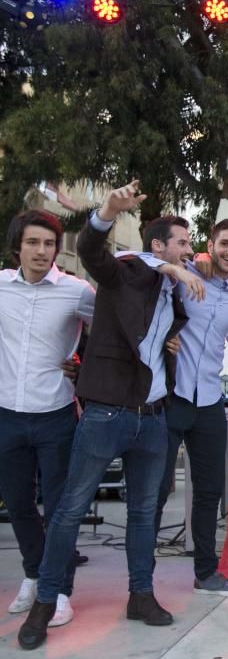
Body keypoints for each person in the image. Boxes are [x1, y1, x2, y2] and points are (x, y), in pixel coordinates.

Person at [18, 181, 200, 650]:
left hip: (154, 418)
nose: (189, 248)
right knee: (69, 510)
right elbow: (95, 250)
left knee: (144, 514)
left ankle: (141, 594)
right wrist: (106, 212)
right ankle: (47, 598)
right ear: (158, 246)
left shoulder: (174, 292)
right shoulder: (127, 273)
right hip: (105, 414)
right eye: (182, 241)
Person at [142, 219, 228, 598]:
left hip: (209, 401)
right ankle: (142, 583)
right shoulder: (179, 274)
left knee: (209, 492)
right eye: (224, 244)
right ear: (211, 244)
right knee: (155, 491)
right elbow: (134, 260)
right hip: (170, 398)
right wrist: (181, 264)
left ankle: (206, 574)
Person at [1, 210, 95, 628]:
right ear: (17, 247)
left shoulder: (76, 291)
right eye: (33, 243)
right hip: (6, 414)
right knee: (20, 505)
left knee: (60, 508)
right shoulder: (0, 288)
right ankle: (34, 575)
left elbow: (112, 333)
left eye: (49, 244)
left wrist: (84, 365)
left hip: (56, 414)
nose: (42, 251)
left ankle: (58, 591)